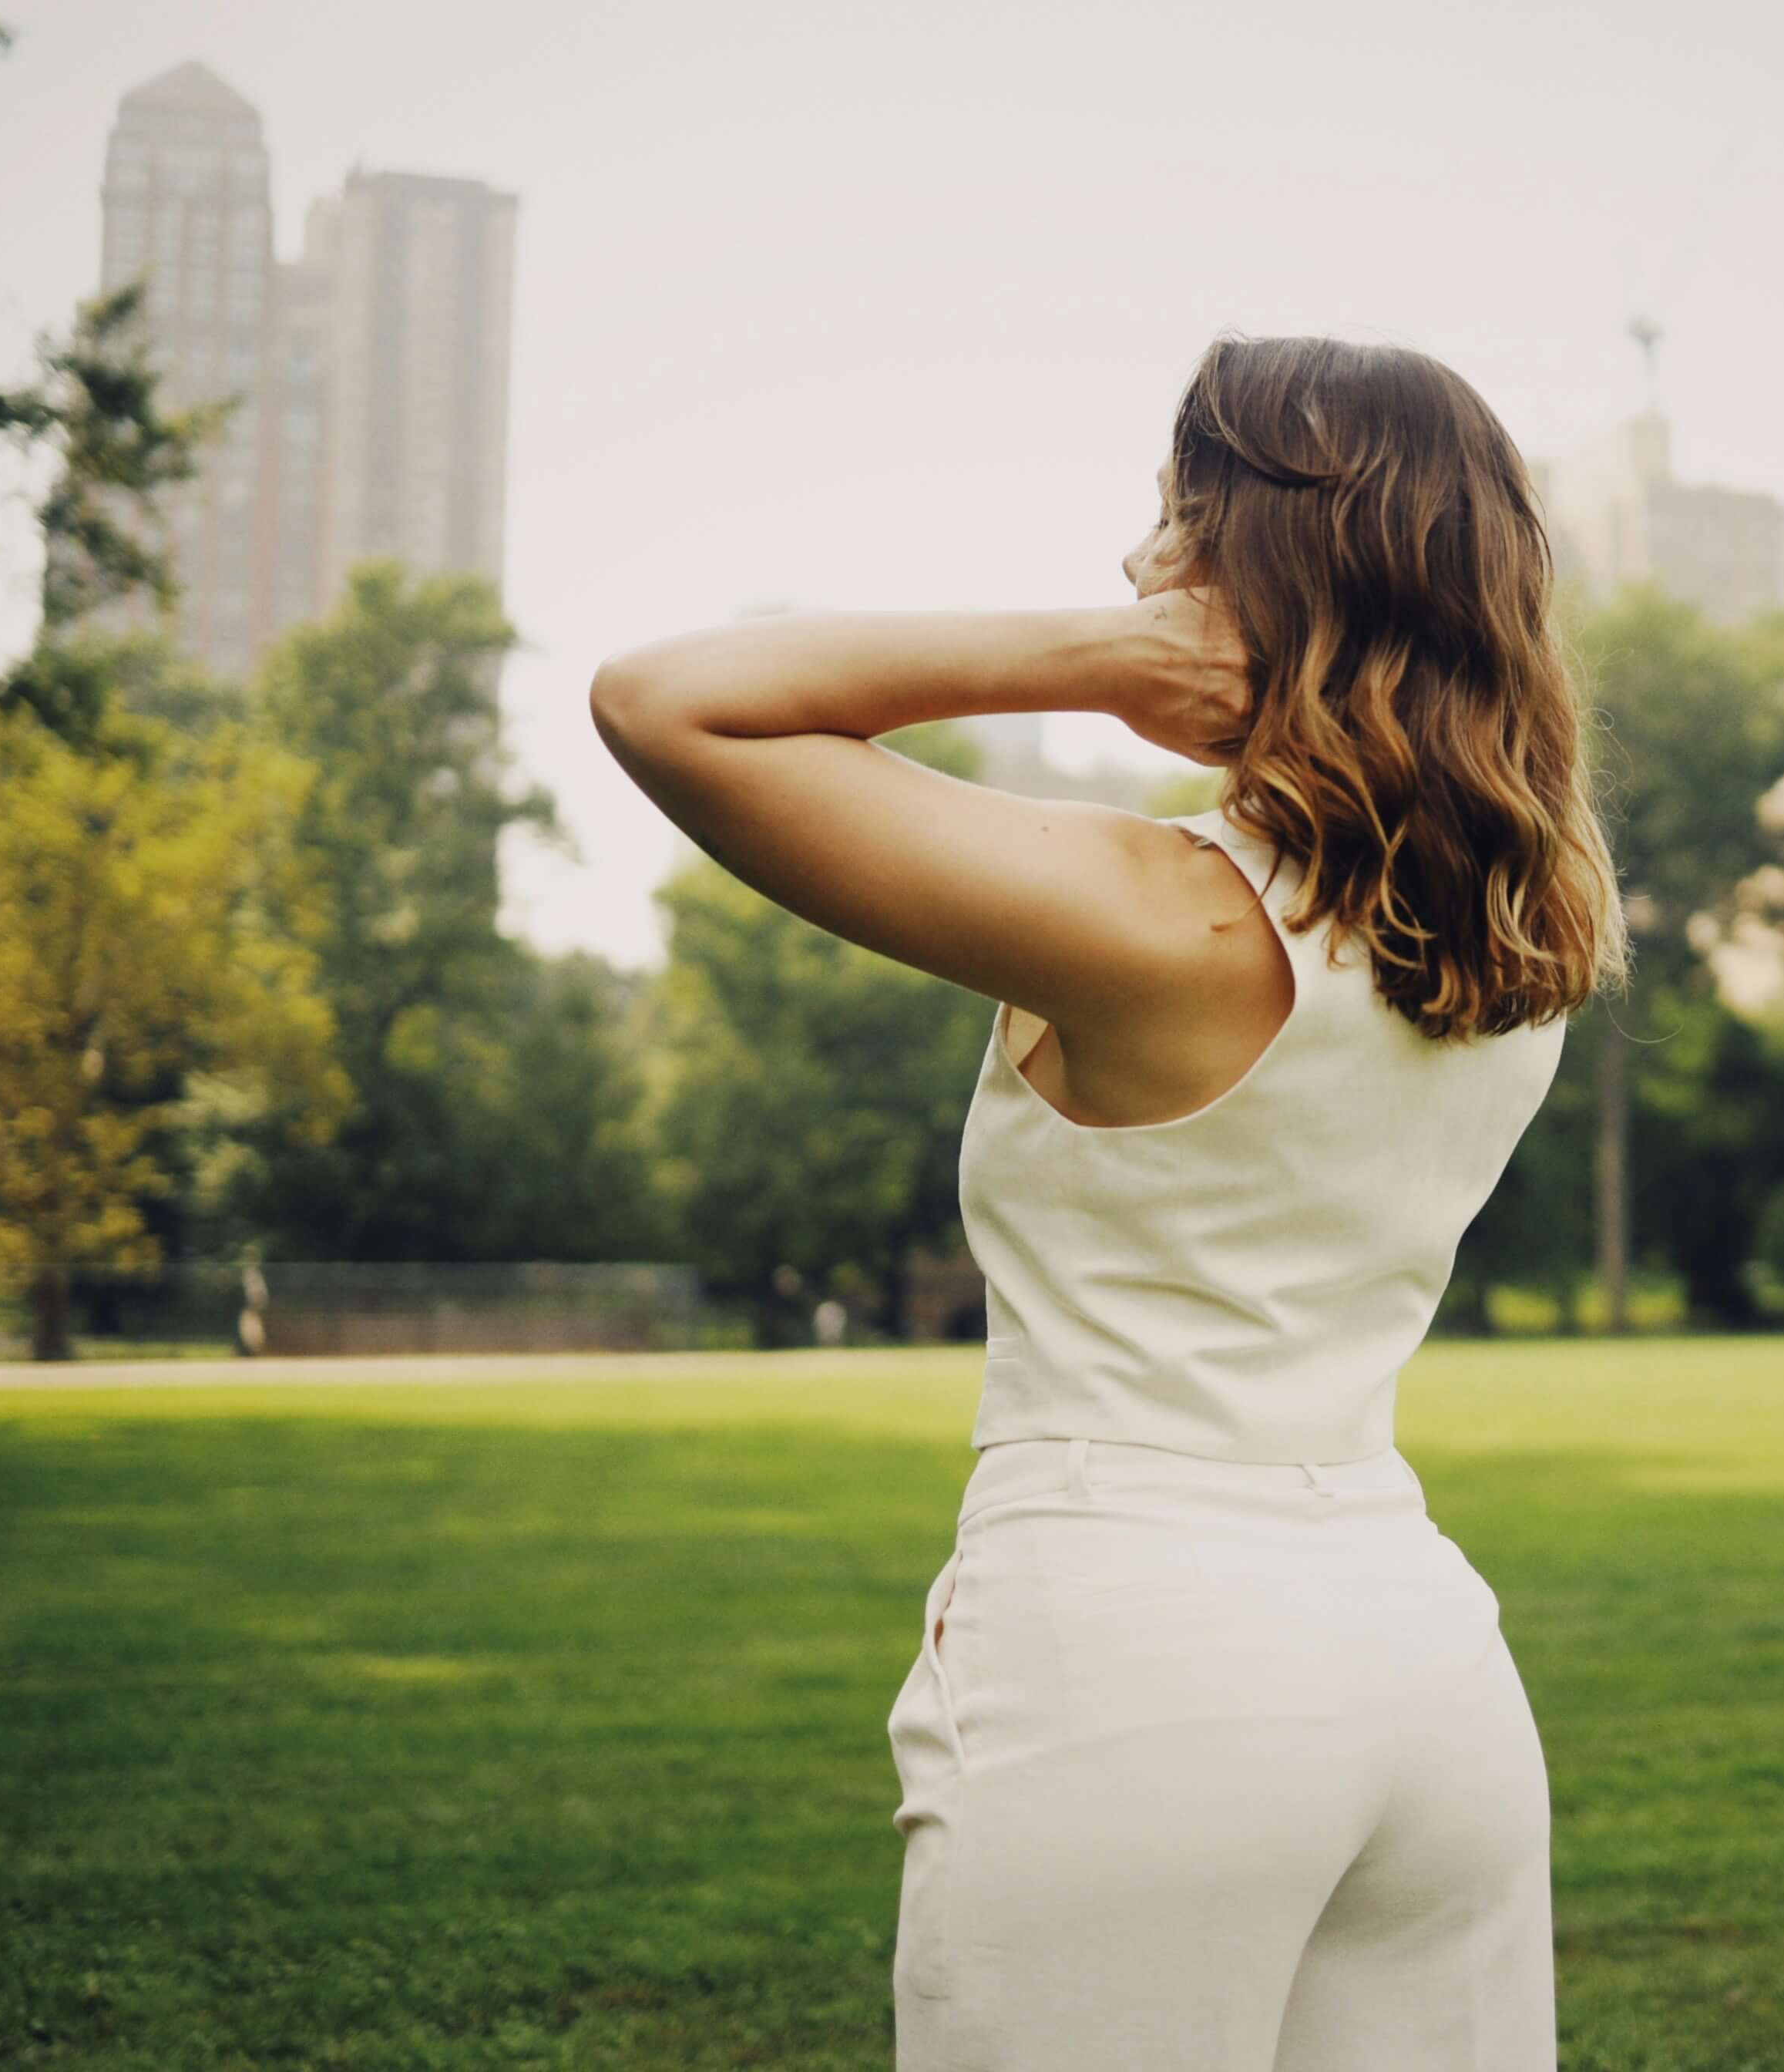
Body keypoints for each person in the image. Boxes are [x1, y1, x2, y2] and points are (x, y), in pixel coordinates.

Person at [591, 332, 1628, 2070]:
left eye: (1172, 526)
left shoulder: (1164, 919)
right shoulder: (1539, 912)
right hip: (1425, 1664)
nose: (1138, 567)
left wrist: (1101, 663)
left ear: (1261, 577)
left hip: (1139, 1654)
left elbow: (665, 699)